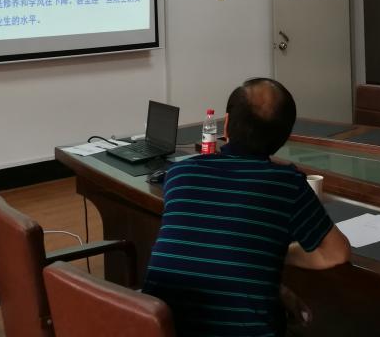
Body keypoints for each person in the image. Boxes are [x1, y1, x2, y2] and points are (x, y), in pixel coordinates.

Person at [143, 78, 350, 337]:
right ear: (283, 138)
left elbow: (207, 247)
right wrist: (274, 254)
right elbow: (337, 253)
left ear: (226, 124)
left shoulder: (179, 174)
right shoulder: (287, 185)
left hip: (162, 330)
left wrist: (263, 263)